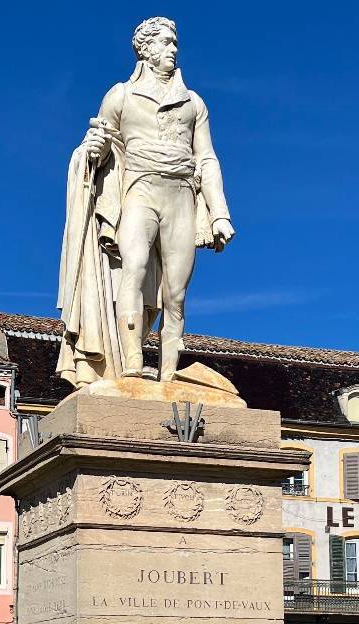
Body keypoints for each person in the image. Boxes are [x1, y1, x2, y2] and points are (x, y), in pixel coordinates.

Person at [56, 17, 235, 387]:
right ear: (145, 48)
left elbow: (207, 159)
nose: (173, 49)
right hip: (138, 188)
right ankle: (132, 365)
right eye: (166, 43)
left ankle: (168, 375)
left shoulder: (194, 103)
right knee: (133, 269)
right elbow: (100, 146)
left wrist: (219, 213)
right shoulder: (120, 95)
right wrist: (92, 150)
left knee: (176, 292)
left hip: (181, 194)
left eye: (175, 43)